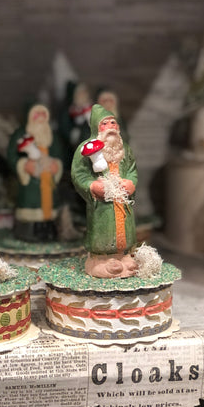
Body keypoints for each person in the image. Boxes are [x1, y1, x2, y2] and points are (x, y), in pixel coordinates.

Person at [71, 104, 138, 278]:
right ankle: (99, 260)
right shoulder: (85, 148)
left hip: (122, 202)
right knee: (103, 231)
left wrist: (131, 183)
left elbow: (132, 170)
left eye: (113, 123)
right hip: (102, 206)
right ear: (96, 128)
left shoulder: (125, 149)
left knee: (125, 231)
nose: (110, 127)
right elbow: (79, 174)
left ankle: (123, 257)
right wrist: (92, 186)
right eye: (105, 124)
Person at [7, 103, 64, 242]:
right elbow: (12, 156)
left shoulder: (53, 136)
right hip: (30, 186)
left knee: (50, 205)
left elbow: (61, 155)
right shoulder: (20, 134)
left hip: (48, 180)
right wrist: (24, 165)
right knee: (31, 204)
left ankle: (49, 229)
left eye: (43, 114)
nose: (40, 118)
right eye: (37, 114)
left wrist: (57, 165)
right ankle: (28, 231)